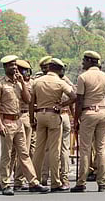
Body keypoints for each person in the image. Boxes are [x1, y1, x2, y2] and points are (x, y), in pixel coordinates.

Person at [0, 55, 49, 195]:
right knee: (7, 155)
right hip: (7, 122)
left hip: (18, 122)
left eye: (15, 65)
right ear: (5, 67)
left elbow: (28, 99)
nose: (14, 67)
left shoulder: (19, 83)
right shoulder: (0, 84)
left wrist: (23, 83)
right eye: (11, 65)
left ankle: (33, 182)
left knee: (24, 154)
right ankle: (5, 184)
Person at [71, 51, 105, 193]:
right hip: (103, 113)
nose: (83, 63)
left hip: (88, 113)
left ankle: (81, 182)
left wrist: (76, 120)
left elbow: (80, 101)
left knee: (85, 149)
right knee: (101, 149)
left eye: (84, 60)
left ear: (90, 61)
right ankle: (102, 182)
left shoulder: (83, 77)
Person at [32, 58, 76, 192]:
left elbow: (30, 101)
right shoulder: (60, 82)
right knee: (55, 150)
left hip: (39, 114)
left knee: (39, 150)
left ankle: (35, 180)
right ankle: (56, 182)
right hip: (54, 115)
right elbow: (74, 96)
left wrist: (31, 118)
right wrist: (62, 105)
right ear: (59, 69)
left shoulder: (37, 81)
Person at [9, 59, 35, 191]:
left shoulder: (27, 83)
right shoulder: (13, 83)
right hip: (18, 117)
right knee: (16, 152)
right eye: (24, 71)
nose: (27, 74)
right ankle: (14, 179)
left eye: (28, 71)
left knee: (23, 151)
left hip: (25, 116)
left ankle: (18, 179)